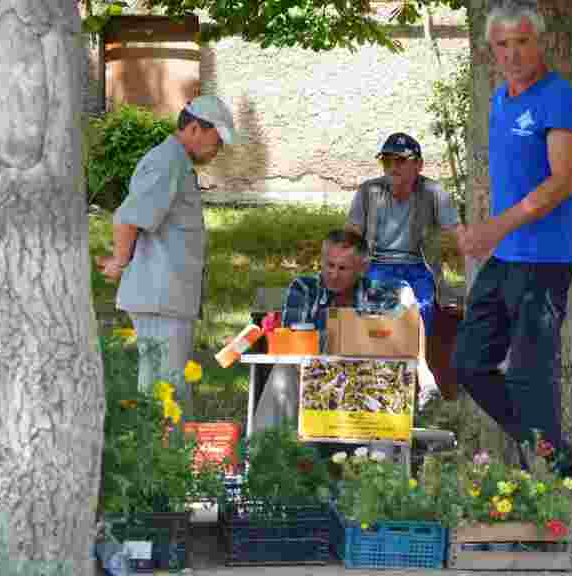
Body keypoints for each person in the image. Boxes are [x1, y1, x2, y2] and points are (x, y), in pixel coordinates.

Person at [451, 0, 572, 468]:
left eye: (522, 42)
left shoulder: (559, 97)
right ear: (492, 50)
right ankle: (550, 453)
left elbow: (560, 181)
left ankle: (549, 473)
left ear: (541, 42)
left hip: (546, 259)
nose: (512, 53)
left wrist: (493, 228)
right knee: (468, 363)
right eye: (502, 45)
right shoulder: (499, 100)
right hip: (506, 257)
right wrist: (488, 232)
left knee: (531, 374)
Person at [97, 95, 238, 415]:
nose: (219, 150)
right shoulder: (166, 162)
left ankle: (164, 456)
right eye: (217, 140)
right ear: (193, 128)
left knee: (165, 390)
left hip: (167, 295)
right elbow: (128, 218)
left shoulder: (175, 162)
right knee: (166, 394)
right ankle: (166, 458)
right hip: (161, 297)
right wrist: (120, 261)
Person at [254, 230, 417, 431]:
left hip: (367, 381)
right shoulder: (305, 289)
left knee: (392, 380)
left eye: (343, 268)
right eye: (329, 265)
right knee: (283, 372)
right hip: (313, 378)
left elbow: (401, 339)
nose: (334, 274)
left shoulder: (383, 296)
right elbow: (292, 342)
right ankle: (262, 453)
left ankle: (384, 461)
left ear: (362, 268)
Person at [346, 133, 463, 337]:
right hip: (376, 265)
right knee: (375, 316)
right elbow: (350, 235)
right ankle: (377, 362)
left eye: (400, 160)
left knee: (422, 308)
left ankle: (417, 361)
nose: (392, 167)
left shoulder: (433, 192)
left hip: (419, 267)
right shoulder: (368, 191)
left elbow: (457, 233)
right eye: (386, 161)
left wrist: (479, 261)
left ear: (419, 164)